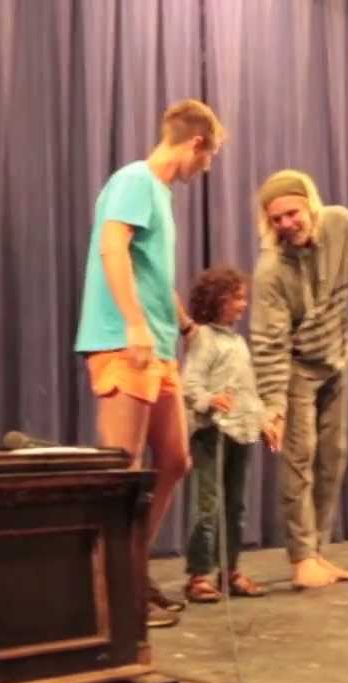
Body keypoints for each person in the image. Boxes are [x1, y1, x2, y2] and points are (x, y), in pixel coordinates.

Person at [74, 99, 224, 628]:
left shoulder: (158, 194)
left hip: (158, 348)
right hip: (124, 341)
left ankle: (129, 568)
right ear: (196, 143)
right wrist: (134, 323)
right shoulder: (135, 179)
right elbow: (112, 249)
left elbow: (151, 272)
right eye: (210, 157)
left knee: (176, 459)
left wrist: (185, 326)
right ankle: (107, 592)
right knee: (122, 469)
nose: (206, 169)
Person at [249, 169, 348, 590]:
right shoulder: (271, 271)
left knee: (333, 456)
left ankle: (318, 551)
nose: (286, 224)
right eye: (276, 219)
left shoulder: (340, 222)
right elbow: (268, 344)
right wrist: (274, 408)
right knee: (300, 459)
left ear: (310, 205)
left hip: (337, 356)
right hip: (297, 367)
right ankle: (301, 559)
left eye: (292, 213)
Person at [180, 266, 267, 602]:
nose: (243, 304)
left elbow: (247, 390)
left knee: (236, 505)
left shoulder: (239, 342)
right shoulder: (204, 337)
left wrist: (262, 421)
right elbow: (191, 385)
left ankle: (229, 569)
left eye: (244, 298)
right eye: (237, 298)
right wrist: (209, 400)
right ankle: (199, 574)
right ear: (217, 300)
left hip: (240, 433)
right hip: (212, 433)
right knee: (208, 504)